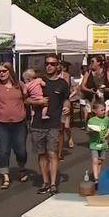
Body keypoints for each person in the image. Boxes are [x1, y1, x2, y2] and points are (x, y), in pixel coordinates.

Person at [26, 54, 70, 195]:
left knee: (52, 153)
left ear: (58, 66)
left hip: (53, 123)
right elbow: (25, 99)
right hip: (38, 123)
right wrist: (36, 102)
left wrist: (67, 107)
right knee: (42, 154)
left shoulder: (62, 83)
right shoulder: (39, 81)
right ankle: (45, 182)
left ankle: (53, 183)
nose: (49, 66)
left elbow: (66, 99)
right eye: (47, 64)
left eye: (52, 64)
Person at [0, 62, 29, 189]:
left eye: (4, 71)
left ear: (10, 72)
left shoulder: (19, 85)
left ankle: (21, 167)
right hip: (1, 122)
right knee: (4, 150)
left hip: (19, 122)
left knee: (20, 150)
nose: (1, 73)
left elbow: (26, 97)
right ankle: (5, 175)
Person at [86, 101, 109, 183]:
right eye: (101, 110)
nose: (104, 112)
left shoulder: (106, 119)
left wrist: (107, 134)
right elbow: (88, 131)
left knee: (100, 161)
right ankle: (96, 178)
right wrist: (92, 131)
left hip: (103, 144)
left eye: (104, 110)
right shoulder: (91, 121)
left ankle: (98, 176)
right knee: (95, 160)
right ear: (95, 111)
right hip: (94, 144)